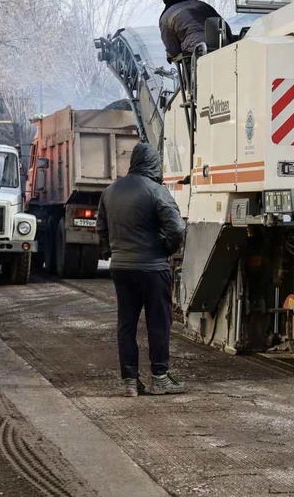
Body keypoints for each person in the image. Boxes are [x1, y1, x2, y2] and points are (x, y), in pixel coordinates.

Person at [96, 142, 186, 397]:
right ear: (153, 163)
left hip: (121, 267)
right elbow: (177, 229)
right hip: (152, 268)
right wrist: (166, 249)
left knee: (126, 323)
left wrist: (110, 252)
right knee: (158, 322)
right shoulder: (157, 191)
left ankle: (130, 381)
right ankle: (159, 377)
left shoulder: (110, 191)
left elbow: (101, 228)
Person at [158, 0, 228, 62]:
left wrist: (171, 56)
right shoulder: (202, 5)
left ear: (164, 0)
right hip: (223, 48)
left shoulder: (166, 17)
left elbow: (171, 45)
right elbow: (223, 25)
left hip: (196, 52)